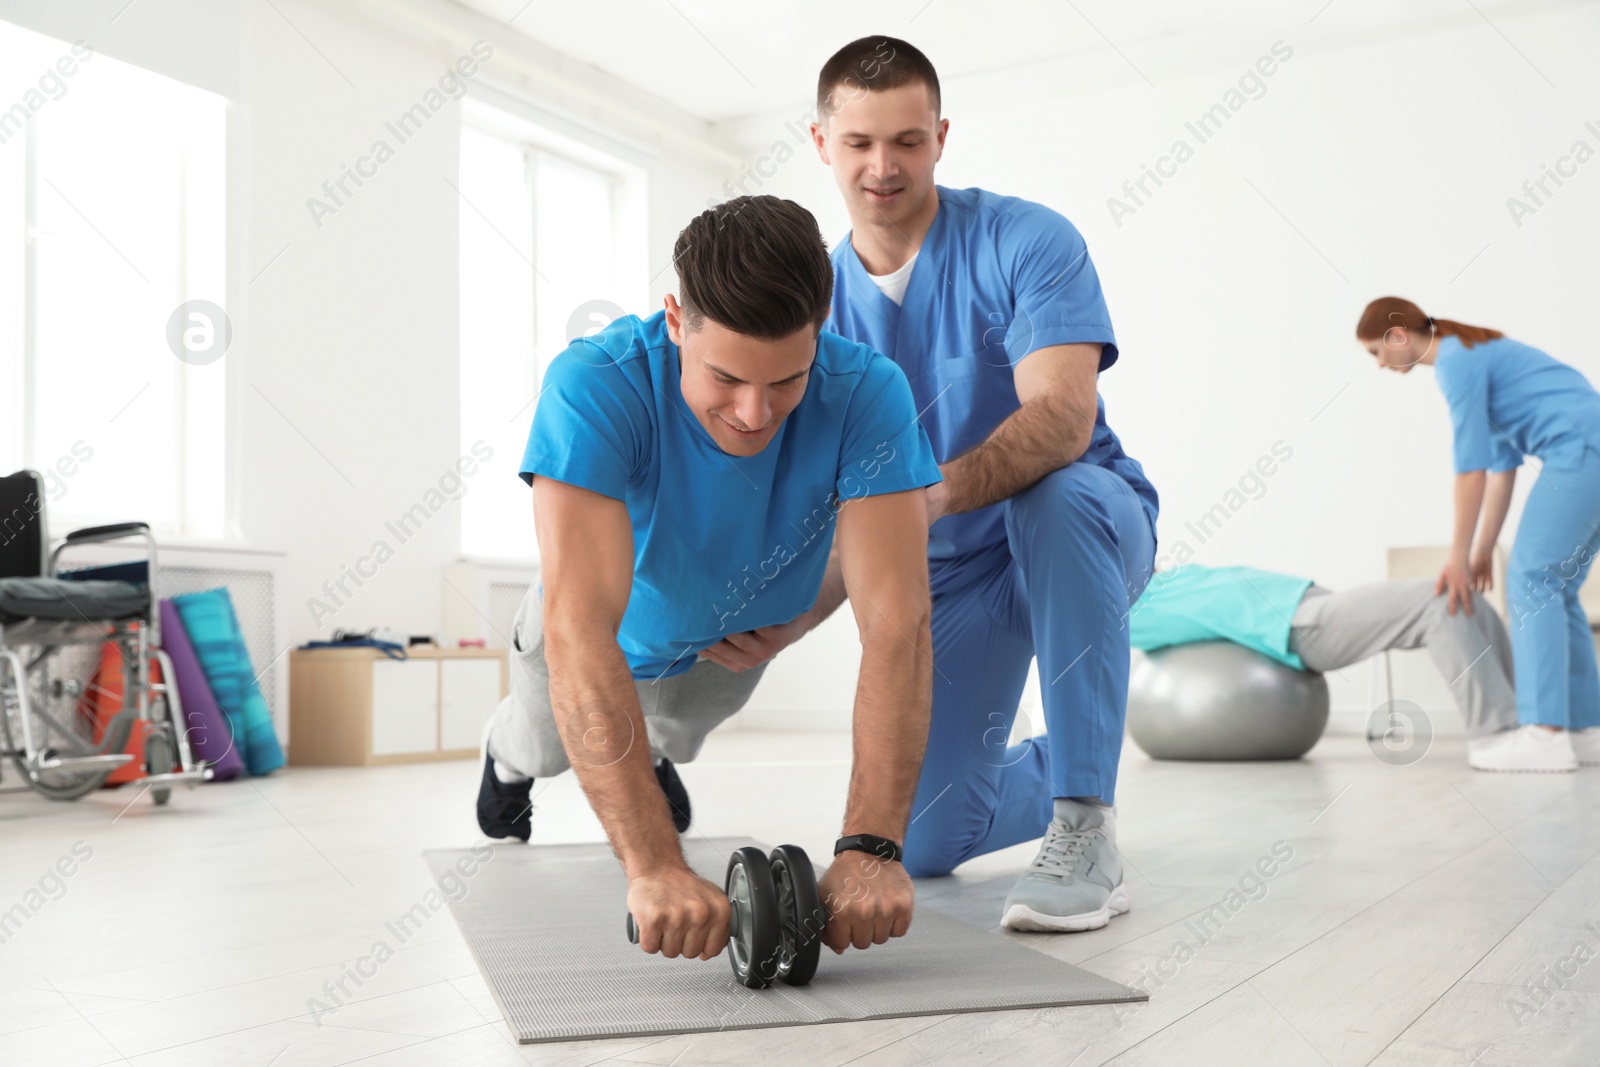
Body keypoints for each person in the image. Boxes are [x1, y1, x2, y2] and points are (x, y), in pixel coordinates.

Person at [699, 37, 1159, 934]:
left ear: (940, 137)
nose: (883, 166)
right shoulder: (812, 305)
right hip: (947, 572)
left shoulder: (1027, 240)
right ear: (821, 142)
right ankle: (1077, 757)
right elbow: (847, 516)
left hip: (1082, 527)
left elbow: (1062, 422)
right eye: (860, 142)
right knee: (933, 833)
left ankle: (1085, 822)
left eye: (907, 141)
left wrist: (932, 496)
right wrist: (789, 619)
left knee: (1055, 495)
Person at [476, 195, 944, 962]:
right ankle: (505, 758)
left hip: (726, 653)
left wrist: (872, 846)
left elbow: (899, 622)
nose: (756, 414)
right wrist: (654, 866)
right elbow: (578, 629)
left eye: (786, 381)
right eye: (726, 377)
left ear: (821, 334)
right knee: (545, 746)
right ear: (674, 318)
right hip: (598, 649)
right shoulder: (596, 384)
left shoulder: (869, 392)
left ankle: (653, 762)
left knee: (671, 740)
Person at [1356, 297, 1600, 772]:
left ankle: (1544, 734)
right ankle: (1583, 731)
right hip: (1591, 449)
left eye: (1375, 352)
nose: (1380, 364)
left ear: (1398, 336)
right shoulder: (1476, 351)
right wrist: (1483, 549)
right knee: (1558, 588)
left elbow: (1470, 472)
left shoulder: (1455, 361)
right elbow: (1503, 466)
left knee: (1534, 582)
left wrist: (1457, 556)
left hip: (1582, 449)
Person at [1126, 563, 1522, 768]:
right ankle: (1495, 735)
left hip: (1306, 600)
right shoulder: (1116, 611)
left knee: (1462, 596)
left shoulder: (1154, 575)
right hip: (1295, 624)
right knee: (1441, 604)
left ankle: (1526, 723)